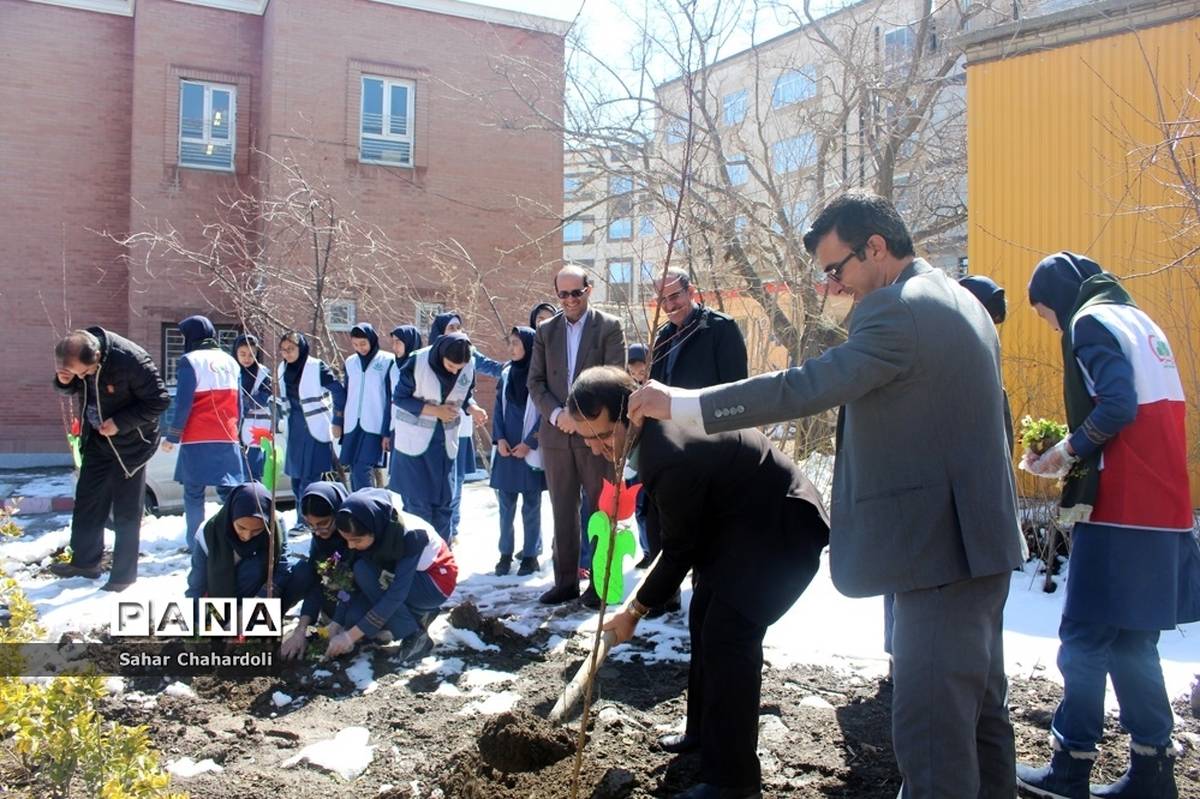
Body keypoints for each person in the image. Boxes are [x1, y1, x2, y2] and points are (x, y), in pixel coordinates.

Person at [629, 191, 1025, 799]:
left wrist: (681, 404)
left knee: (932, 741)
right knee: (981, 724)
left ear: (876, 247)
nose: (832, 289)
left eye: (836, 270)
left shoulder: (898, 309)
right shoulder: (959, 299)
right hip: (981, 545)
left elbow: (805, 387)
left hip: (937, 557)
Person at [568, 367, 828, 799]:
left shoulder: (665, 450)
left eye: (602, 436)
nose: (597, 450)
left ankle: (734, 779)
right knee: (704, 617)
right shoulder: (652, 429)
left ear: (628, 414)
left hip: (779, 530)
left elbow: (681, 549)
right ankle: (703, 735)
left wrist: (634, 611)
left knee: (729, 638)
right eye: (586, 439)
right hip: (738, 525)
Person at [1016, 252, 1200, 799]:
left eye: (1046, 314)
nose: (1052, 326)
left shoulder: (1090, 321)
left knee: (1085, 638)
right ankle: (1152, 770)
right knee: (1131, 644)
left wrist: (1064, 453)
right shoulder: (1139, 320)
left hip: (1120, 507)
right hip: (1165, 510)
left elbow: (1116, 405)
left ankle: (1070, 766)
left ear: (1058, 299)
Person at [527, 264, 626, 606]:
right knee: (562, 512)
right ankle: (565, 582)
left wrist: (578, 417)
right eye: (563, 294)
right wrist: (557, 414)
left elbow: (615, 377)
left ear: (590, 289)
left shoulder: (610, 328)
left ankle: (600, 585)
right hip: (555, 437)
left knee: (600, 512)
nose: (569, 300)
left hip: (596, 436)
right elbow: (535, 382)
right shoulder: (545, 331)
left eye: (576, 292)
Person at [49, 328, 170, 591]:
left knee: (126, 511)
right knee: (87, 501)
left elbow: (159, 401)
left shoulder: (131, 360)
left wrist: (120, 423)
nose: (84, 377)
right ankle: (85, 562)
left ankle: (123, 577)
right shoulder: (81, 355)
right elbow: (74, 386)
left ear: (99, 355)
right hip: (97, 438)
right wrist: (66, 381)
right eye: (79, 373)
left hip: (131, 443)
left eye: (86, 372)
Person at [325, 488, 457, 662]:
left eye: (356, 540)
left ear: (373, 528)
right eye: (347, 540)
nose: (350, 546)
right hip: (402, 579)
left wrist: (350, 637)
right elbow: (350, 581)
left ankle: (415, 635)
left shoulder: (411, 534)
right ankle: (415, 616)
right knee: (353, 618)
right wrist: (337, 622)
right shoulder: (371, 529)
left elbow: (396, 593)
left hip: (434, 583)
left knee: (363, 571)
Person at [389, 332, 483, 541]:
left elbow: (464, 395)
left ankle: (442, 560)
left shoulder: (467, 364)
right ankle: (420, 562)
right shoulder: (418, 361)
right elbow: (400, 398)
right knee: (419, 508)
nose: (454, 371)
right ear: (441, 354)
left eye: (459, 368)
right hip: (414, 449)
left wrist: (473, 408)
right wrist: (435, 410)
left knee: (445, 506)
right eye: (450, 366)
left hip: (445, 447)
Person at [162, 316, 244, 551]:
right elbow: (238, 403)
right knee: (229, 490)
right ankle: (235, 538)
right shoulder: (231, 361)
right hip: (227, 434)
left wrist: (172, 436)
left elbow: (184, 402)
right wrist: (236, 432)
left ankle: (197, 544)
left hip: (198, 436)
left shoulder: (190, 360)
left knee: (193, 492)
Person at [429, 311, 499, 540]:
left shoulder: (467, 351)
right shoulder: (426, 358)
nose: (456, 331)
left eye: (459, 326)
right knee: (434, 480)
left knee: (456, 479)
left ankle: (452, 527)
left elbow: (490, 368)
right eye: (451, 328)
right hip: (431, 429)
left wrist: (519, 366)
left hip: (459, 427)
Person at [185, 481, 299, 607]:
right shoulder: (209, 532)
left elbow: (283, 566)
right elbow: (196, 584)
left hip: (261, 600)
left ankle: (258, 618)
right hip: (221, 603)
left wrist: (260, 599)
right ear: (231, 515)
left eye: (256, 530)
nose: (247, 536)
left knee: (301, 571)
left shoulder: (275, 524)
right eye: (241, 527)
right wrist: (194, 616)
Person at [490, 326, 545, 577]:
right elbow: (498, 410)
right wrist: (499, 439)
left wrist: (529, 443)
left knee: (531, 506)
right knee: (505, 507)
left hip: (528, 451)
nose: (511, 348)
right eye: (509, 343)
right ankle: (504, 553)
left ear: (529, 347)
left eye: (516, 343)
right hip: (506, 451)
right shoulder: (506, 373)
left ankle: (530, 555)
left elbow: (544, 414)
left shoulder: (538, 377)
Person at [279, 481, 351, 661]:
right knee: (303, 570)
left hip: (363, 603)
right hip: (334, 599)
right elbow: (316, 581)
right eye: (310, 525)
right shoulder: (321, 540)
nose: (317, 532)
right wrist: (301, 630)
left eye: (323, 523)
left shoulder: (356, 533)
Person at [277, 332, 346, 517]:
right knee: (296, 481)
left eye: (291, 349)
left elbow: (338, 391)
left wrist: (338, 419)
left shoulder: (316, 366)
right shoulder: (282, 368)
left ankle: (306, 520)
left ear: (301, 348)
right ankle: (303, 517)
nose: (287, 354)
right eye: (283, 350)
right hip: (294, 430)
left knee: (310, 480)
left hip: (314, 428)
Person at [337, 324, 395, 491]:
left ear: (372, 339)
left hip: (375, 424)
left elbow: (390, 397)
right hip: (352, 424)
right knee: (354, 469)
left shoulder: (387, 361)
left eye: (363, 343)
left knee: (363, 468)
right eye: (355, 344)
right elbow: (346, 393)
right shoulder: (350, 362)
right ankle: (358, 506)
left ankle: (365, 507)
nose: (359, 348)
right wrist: (339, 421)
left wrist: (386, 431)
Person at [231, 334, 273, 481]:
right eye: (242, 354)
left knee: (254, 475)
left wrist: (240, 403)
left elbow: (262, 399)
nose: (247, 358)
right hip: (233, 430)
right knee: (235, 474)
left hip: (257, 429)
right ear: (235, 353)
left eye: (252, 354)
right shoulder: (230, 371)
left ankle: (256, 503)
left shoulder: (264, 373)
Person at [625, 343, 651, 568]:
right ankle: (647, 550)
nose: (637, 376)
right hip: (632, 461)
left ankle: (655, 550)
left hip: (650, 459)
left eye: (641, 371)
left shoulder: (655, 391)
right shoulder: (627, 392)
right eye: (632, 373)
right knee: (639, 509)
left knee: (652, 509)